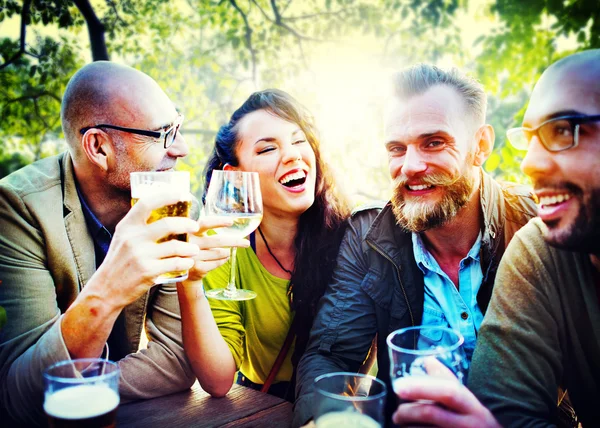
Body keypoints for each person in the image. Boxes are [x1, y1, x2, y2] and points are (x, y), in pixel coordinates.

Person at [0, 61, 247, 425]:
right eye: (163, 133)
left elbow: (178, 362)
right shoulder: (19, 208)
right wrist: (109, 290)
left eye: (177, 127)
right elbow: (17, 397)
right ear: (98, 147)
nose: (181, 149)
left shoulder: (174, 203)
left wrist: (79, 385)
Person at [293, 64, 537, 426]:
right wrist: (325, 419)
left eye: (433, 142)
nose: (410, 166)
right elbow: (331, 357)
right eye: (396, 148)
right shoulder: (368, 238)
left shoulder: (536, 223)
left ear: (480, 145)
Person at [390, 49, 600, 428]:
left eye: (563, 131)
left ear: (480, 147)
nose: (529, 163)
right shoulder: (541, 248)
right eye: (532, 138)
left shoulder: (530, 219)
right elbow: (509, 411)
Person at [176, 89, 351, 400]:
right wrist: (189, 284)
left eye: (299, 140)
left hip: (339, 402)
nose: (294, 154)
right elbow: (217, 381)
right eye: (268, 148)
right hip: (263, 404)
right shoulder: (222, 248)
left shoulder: (351, 236)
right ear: (235, 175)